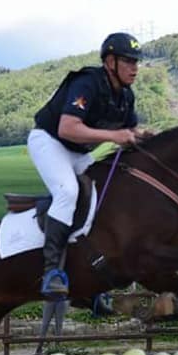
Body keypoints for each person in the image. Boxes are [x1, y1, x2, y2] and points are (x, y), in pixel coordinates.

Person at [29, 32, 144, 299]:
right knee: (68, 191)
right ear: (110, 62)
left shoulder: (126, 96)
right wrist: (114, 136)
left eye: (136, 62)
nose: (135, 68)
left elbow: (129, 132)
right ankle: (51, 273)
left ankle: (91, 276)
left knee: (107, 191)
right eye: (128, 61)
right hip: (49, 142)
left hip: (78, 152)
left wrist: (143, 136)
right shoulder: (88, 83)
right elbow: (67, 128)